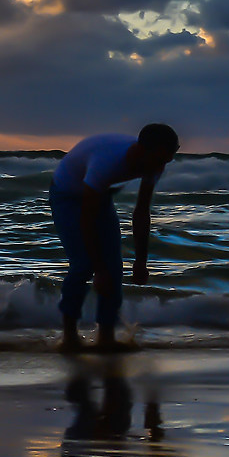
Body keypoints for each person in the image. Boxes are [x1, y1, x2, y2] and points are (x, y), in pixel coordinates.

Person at [49, 123, 179, 353]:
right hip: (67, 194)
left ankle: (105, 337)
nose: (161, 166)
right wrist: (98, 270)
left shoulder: (156, 163)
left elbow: (141, 212)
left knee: (114, 268)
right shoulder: (106, 163)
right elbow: (86, 220)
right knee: (84, 265)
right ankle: (69, 336)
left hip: (99, 194)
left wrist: (141, 262)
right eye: (159, 158)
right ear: (143, 150)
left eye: (167, 160)